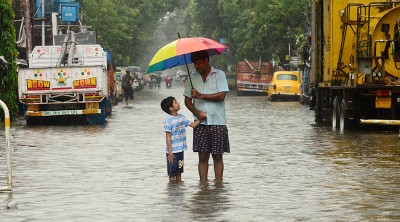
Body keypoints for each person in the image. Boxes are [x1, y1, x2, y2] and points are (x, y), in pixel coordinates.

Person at [183, 50, 230, 183]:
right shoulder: (192, 77)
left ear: (206, 61)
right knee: (202, 157)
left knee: (218, 156)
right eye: (194, 64)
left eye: (198, 63)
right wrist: (197, 113)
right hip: (200, 123)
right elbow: (187, 101)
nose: (196, 66)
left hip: (218, 122)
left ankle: (219, 186)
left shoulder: (219, 74)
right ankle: (203, 186)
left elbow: (221, 96)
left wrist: (200, 96)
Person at [161, 96, 203, 182]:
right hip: (172, 153)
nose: (178, 103)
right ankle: (172, 192)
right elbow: (168, 137)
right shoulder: (168, 121)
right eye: (176, 102)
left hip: (180, 151)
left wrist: (201, 118)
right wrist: (170, 153)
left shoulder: (182, 117)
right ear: (171, 108)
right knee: (172, 174)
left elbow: (193, 125)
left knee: (179, 171)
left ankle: (179, 192)